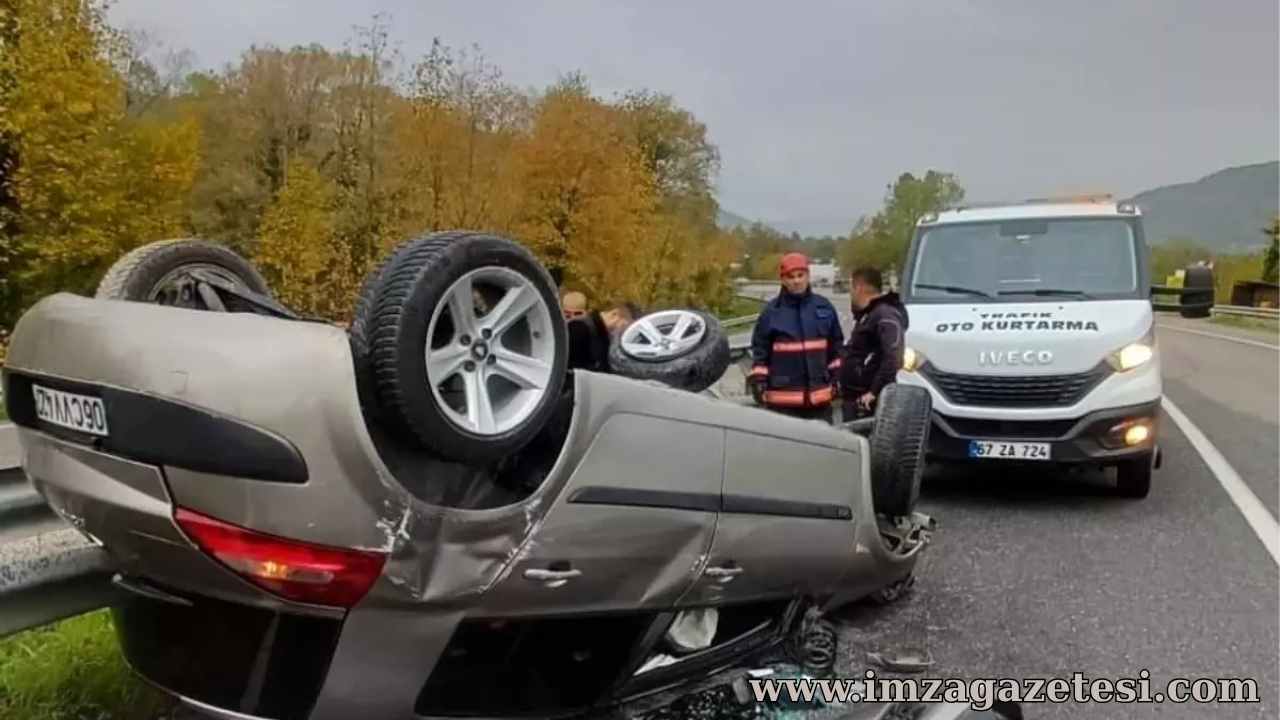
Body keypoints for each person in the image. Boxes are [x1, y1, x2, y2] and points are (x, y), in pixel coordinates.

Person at [747, 253, 844, 421]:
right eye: (791, 277)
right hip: (783, 407)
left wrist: (839, 378)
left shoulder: (825, 308)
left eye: (801, 275)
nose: (796, 281)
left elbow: (836, 349)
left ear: (808, 276)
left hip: (819, 403)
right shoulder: (771, 313)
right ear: (783, 280)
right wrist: (759, 382)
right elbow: (760, 353)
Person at [839, 267, 908, 419]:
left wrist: (874, 392)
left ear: (860, 287)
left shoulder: (885, 314)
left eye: (851, 287)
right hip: (854, 396)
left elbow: (894, 357)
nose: (850, 292)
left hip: (868, 402)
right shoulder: (868, 315)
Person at [567, 301, 642, 372]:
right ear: (614, 315)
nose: (622, 332)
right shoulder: (579, 329)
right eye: (624, 326)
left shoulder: (600, 335)